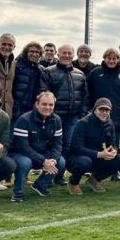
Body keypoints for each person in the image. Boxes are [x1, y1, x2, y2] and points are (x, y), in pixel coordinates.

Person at [41, 44, 89, 182]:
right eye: (64, 53)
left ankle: (60, 176)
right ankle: (49, 176)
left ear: (73, 55)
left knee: (67, 147)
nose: (67, 56)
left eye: (69, 53)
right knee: (52, 146)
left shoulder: (80, 74)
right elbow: (44, 93)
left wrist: (82, 114)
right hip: (54, 118)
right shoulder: (48, 72)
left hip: (73, 118)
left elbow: (85, 97)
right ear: (58, 54)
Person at [68, 98, 120, 193]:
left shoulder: (110, 123)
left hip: (97, 156)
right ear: (94, 110)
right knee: (84, 162)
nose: (104, 113)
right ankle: (73, 182)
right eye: (101, 110)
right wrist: (99, 154)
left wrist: (113, 151)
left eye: (107, 110)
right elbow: (76, 148)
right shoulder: (83, 123)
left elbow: (113, 142)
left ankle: (94, 179)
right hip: (77, 158)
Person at [8, 91, 64, 202]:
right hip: (19, 153)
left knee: (61, 161)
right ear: (37, 104)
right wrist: (43, 160)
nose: (47, 107)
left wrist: (53, 159)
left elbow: (57, 144)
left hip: (41, 154)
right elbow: (23, 147)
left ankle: (40, 185)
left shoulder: (57, 120)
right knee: (25, 162)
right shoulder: (24, 120)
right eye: (44, 104)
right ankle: (17, 192)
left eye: (51, 105)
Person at [88, 48, 120, 126]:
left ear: (118, 59)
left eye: (114, 59)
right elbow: (89, 91)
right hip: (98, 111)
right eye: (109, 58)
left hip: (118, 112)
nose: (111, 61)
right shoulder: (95, 73)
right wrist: (89, 107)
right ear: (104, 58)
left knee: (115, 137)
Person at [4, 42, 45, 124]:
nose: (34, 54)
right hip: (16, 108)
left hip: (31, 109)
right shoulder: (16, 65)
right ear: (26, 52)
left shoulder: (40, 69)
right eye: (31, 51)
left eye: (37, 52)